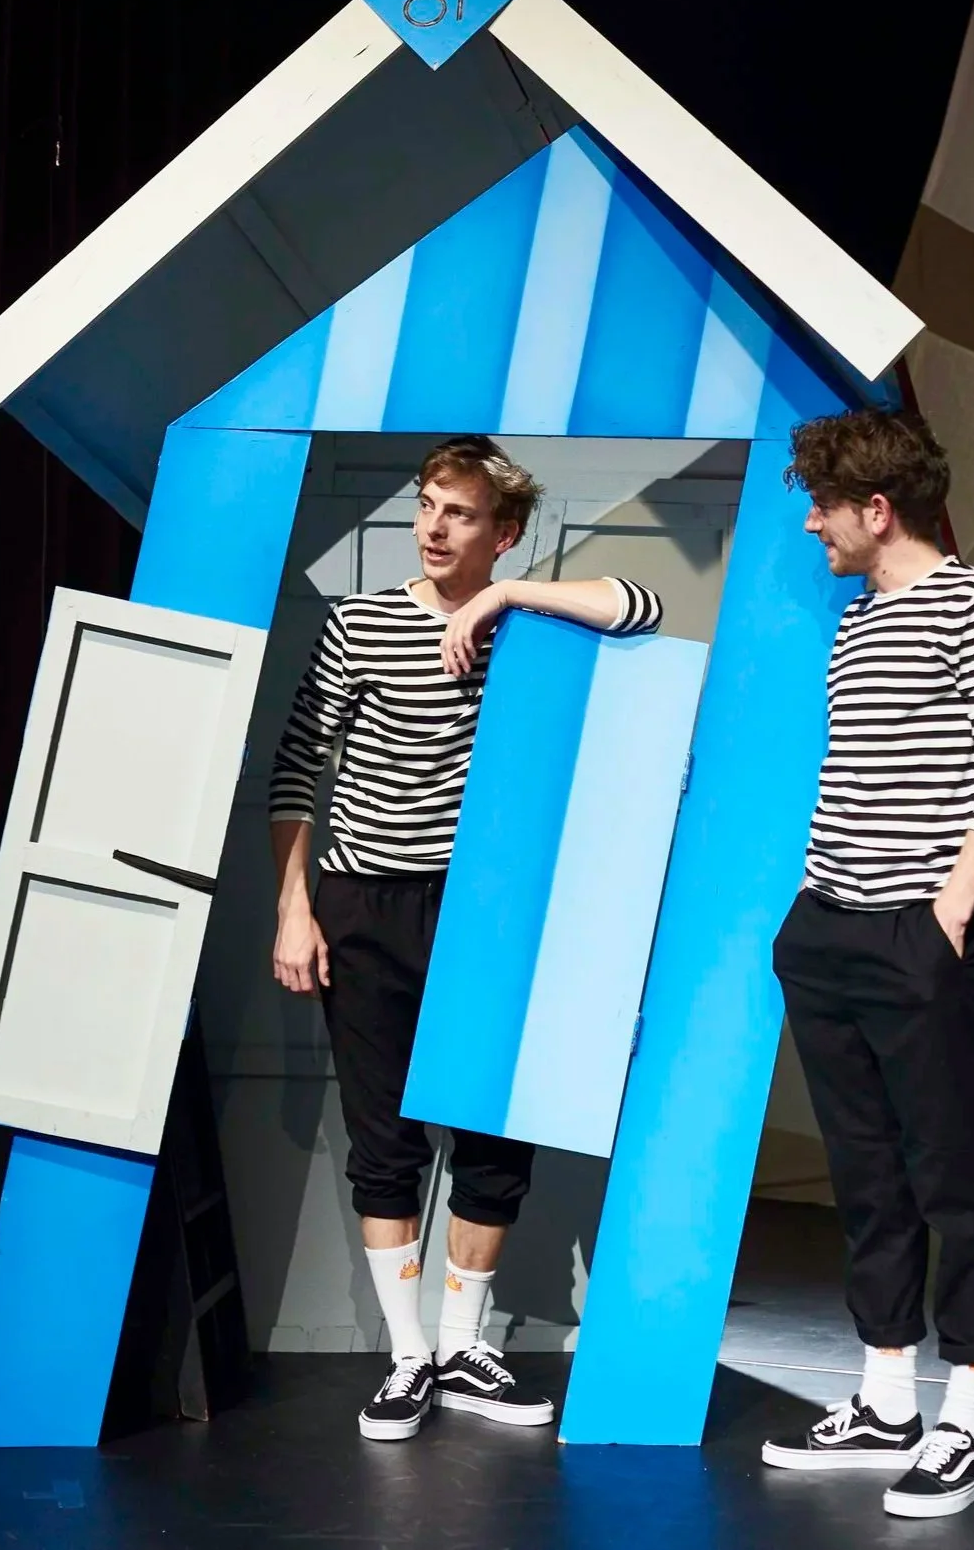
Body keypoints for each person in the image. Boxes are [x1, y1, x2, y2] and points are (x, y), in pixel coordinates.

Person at [269, 436, 663, 1442]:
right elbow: (294, 767)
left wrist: (502, 602)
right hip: (365, 902)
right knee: (386, 1138)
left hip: (484, 912)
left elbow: (641, 607)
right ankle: (407, 1359)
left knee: (494, 1133)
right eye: (429, 506)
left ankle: (461, 1343)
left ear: (505, 533)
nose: (437, 528)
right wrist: (293, 905)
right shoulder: (360, 625)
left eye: (461, 514)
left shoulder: (527, 630)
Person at [761, 409, 974, 1519]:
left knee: (951, 1176)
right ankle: (886, 1398)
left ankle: (965, 1415)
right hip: (829, 925)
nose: (813, 526)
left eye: (824, 506)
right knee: (867, 1175)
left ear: (877, 510)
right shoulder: (859, 619)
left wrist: (946, 918)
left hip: (919, 936)